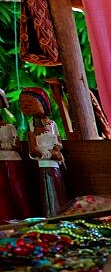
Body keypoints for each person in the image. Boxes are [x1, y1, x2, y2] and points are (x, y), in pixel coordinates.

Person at [18, 87, 66, 218]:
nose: (25, 107)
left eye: (29, 103)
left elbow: (58, 145)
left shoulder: (52, 125)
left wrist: (48, 153)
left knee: (55, 190)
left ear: (43, 103)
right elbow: (32, 149)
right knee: (42, 192)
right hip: (39, 165)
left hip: (52, 165)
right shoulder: (30, 125)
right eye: (22, 104)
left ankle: (59, 215)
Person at [0, 89, 31, 223]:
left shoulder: (9, 127)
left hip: (11, 159)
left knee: (16, 187)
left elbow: (17, 145)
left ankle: (23, 216)